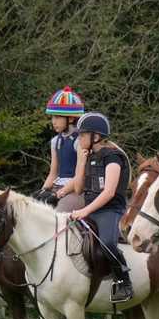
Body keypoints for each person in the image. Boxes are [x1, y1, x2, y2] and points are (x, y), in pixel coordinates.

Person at [69, 112, 134, 303]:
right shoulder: (90, 157)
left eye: (82, 135)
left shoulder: (113, 157)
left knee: (107, 242)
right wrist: (81, 162)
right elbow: (79, 188)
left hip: (109, 211)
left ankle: (124, 282)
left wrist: (84, 211)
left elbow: (109, 193)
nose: (78, 138)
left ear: (95, 137)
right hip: (90, 210)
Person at [41, 87, 87, 213]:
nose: (53, 122)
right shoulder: (55, 141)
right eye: (52, 118)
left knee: (59, 214)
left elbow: (79, 176)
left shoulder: (79, 141)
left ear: (71, 119)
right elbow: (53, 173)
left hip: (74, 191)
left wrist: (59, 194)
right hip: (56, 187)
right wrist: (44, 190)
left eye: (57, 118)